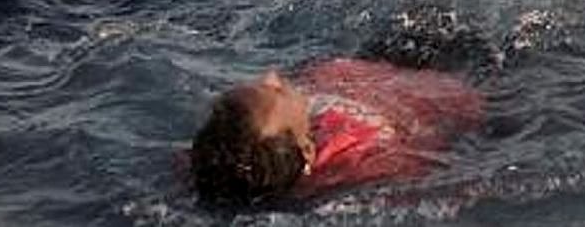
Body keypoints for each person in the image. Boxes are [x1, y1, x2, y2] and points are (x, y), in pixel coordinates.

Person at [189, 56, 484, 208]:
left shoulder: (224, 157)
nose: (271, 76)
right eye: (277, 91)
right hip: (454, 78)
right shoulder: (374, 167)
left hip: (380, 67)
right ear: (307, 150)